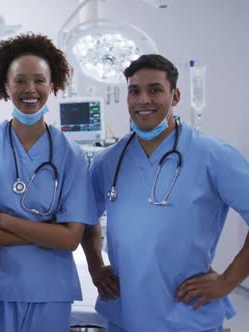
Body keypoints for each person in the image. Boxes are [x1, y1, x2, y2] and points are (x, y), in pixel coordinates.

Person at [82, 54, 249, 331]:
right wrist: (95, 267)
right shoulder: (108, 160)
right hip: (125, 314)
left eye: (155, 89)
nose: (143, 99)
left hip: (186, 314)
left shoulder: (214, 156)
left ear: (176, 95)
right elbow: (86, 219)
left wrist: (227, 281)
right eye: (135, 91)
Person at [0, 33, 97, 331]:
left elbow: (71, 239)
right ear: (4, 85)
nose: (30, 89)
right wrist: (49, 231)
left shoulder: (70, 154)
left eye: (39, 80)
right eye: (20, 80)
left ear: (53, 84)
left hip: (51, 292)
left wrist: (1, 220)